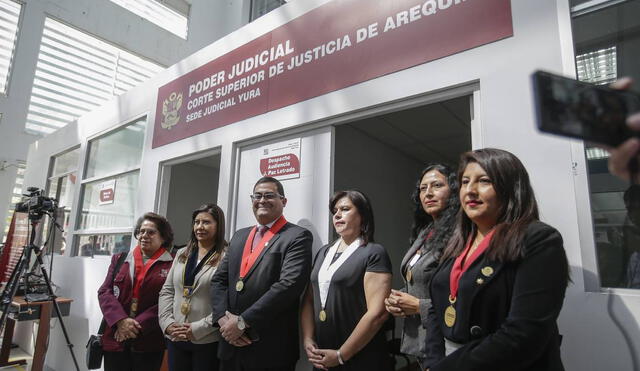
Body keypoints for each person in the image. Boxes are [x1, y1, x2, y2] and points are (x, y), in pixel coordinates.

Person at [423, 148, 569, 371]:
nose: (470, 191)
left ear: (510, 188)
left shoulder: (539, 239)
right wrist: (432, 363)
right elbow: (436, 307)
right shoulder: (457, 240)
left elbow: (524, 335)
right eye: (464, 182)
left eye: (484, 181)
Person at [210, 176, 313, 371]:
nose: (262, 200)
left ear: (283, 201)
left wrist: (242, 322)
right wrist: (223, 320)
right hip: (230, 344)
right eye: (257, 195)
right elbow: (218, 281)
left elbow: (289, 285)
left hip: (270, 348)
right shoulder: (240, 235)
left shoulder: (297, 236)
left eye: (269, 195)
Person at [301, 190, 392, 370]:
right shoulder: (323, 253)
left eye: (345, 209)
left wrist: (342, 355)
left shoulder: (373, 253)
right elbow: (309, 299)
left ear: (362, 216)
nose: (337, 215)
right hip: (324, 356)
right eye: (335, 211)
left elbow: (378, 314)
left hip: (360, 356)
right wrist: (308, 338)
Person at [384, 164, 459, 366]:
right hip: (420, 341)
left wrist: (418, 306)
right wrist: (398, 299)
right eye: (423, 188)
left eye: (437, 185)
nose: (428, 193)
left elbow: (463, 296)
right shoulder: (426, 231)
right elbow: (421, 280)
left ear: (453, 191)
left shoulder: (460, 233)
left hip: (445, 342)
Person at [98, 212, 174, 371]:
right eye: (141, 231)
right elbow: (105, 291)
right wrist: (120, 321)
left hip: (148, 340)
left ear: (163, 237)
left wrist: (135, 325)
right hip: (116, 336)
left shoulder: (172, 264)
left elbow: (170, 300)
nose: (144, 235)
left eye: (151, 232)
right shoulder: (120, 259)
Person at [159, 204, 228, 371]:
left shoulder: (227, 256)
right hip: (176, 337)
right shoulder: (182, 253)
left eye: (206, 222)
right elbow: (167, 291)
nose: (200, 227)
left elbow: (229, 301)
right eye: (196, 222)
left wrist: (197, 329)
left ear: (218, 226)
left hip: (207, 339)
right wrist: (167, 324)